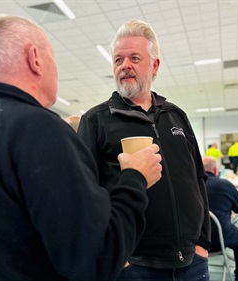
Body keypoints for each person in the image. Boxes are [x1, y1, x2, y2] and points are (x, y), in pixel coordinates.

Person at [0, 15, 163, 281]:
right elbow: (96, 258)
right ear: (35, 58)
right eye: (52, 56)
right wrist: (135, 178)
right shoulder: (40, 130)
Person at [77, 19, 211, 281]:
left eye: (134, 58)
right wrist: (120, 258)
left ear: (155, 65)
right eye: (118, 60)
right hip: (135, 267)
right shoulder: (96, 121)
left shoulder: (176, 116)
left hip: (192, 262)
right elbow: (84, 195)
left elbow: (198, 179)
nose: (124, 65)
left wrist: (203, 244)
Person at [202, 156, 238, 281]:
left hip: (195, 240)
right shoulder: (225, 185)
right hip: (220, 238)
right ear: (216, 170)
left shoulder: (190, 185)